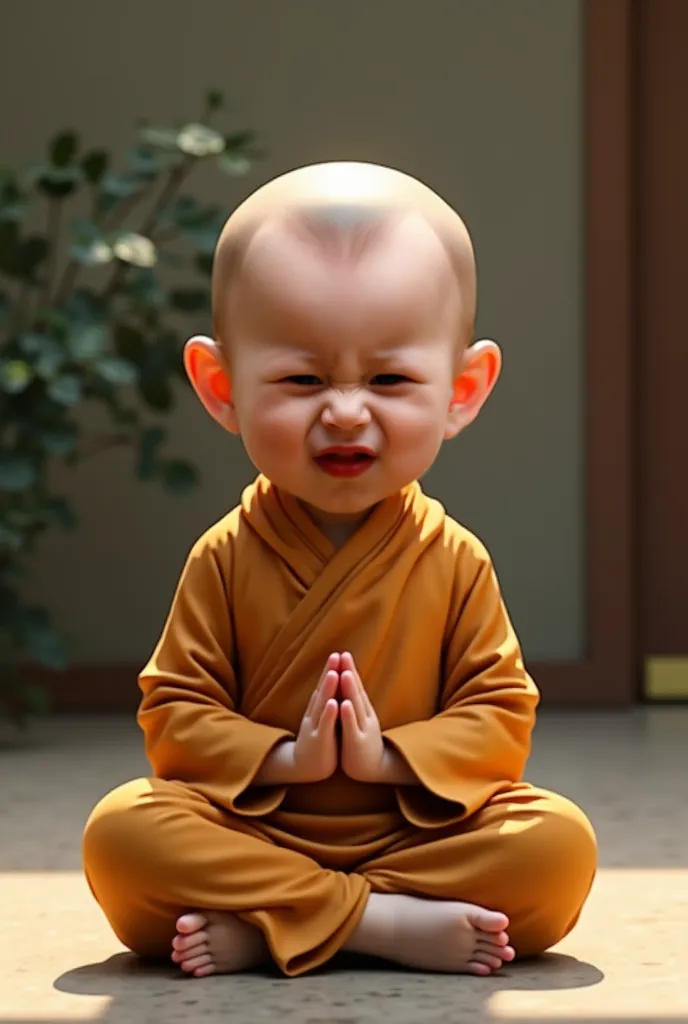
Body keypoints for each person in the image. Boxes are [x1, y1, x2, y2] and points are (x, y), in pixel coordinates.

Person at [82, 161, 597, 980]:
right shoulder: (225, 556)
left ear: (464, 389)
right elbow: (176, 714)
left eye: (389, 378)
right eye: (301, 379)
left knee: (556, 846)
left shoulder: (454, 559)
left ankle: (278, 921)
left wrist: (383, 759)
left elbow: (499, 716)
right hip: (257, 829)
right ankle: (382, 923)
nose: (347, 410)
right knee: (122, 836)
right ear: (222, 388)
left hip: (417, 833)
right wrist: (289, 759)